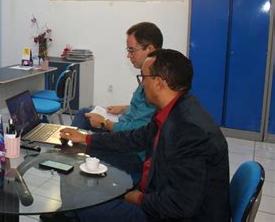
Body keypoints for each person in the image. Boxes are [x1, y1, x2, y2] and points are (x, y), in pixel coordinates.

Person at [60, 49, 230, 221]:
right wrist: (86, 138)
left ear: (158, 83)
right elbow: (135, 138)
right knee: (95, 190)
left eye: (143, 78)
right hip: (162, 196)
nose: (142, 85)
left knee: (88, 202)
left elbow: (181, 204)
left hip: (178, 215)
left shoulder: (189, 131)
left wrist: (138, 198)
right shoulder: (176, 109)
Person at [71, 22, 162, 134]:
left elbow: (137, 131)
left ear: (150, 49)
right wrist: (124, 109)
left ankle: (69, 148)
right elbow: (141, 110)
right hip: (124, 122)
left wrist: (104, 123)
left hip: (127, 138)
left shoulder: (153, 83)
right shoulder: (150, 74)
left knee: (83, 117)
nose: (128, 56)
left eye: (132, 50)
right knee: (84, 112)